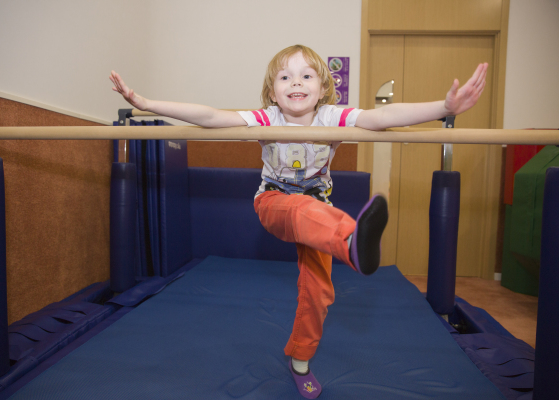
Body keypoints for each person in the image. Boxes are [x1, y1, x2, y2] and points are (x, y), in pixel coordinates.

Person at [110, 44, 487, 399]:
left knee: (319, 292)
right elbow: (210, 117)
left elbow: (383, 117)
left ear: (323, 88)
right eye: (285, 77)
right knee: (302, 209)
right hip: (274, 203)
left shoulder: (332, 117)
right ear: (272, 92)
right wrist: (144, 103)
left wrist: (444, 106)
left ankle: (300, 359)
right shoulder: (266, 118)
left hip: (319, 212)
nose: (296, 83)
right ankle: (353, 243)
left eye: (307, 76)